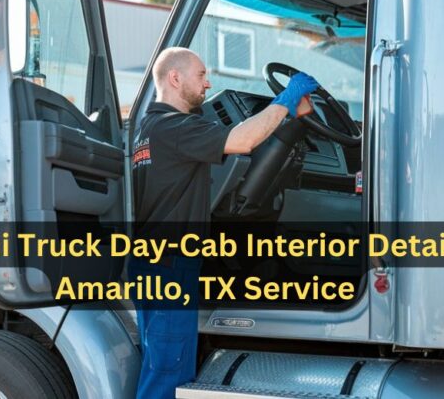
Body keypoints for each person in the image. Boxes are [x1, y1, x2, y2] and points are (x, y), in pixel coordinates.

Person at [129, 47, 319, 399]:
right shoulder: (175, 127)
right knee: (167, 378)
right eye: (201, 75)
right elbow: (245, 140)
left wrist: (289, 114)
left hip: (152, 266)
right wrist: (286, 97)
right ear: (175, 78)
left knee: (159, 366)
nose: (207, 83)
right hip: (169, 268)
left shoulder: (149, 129)